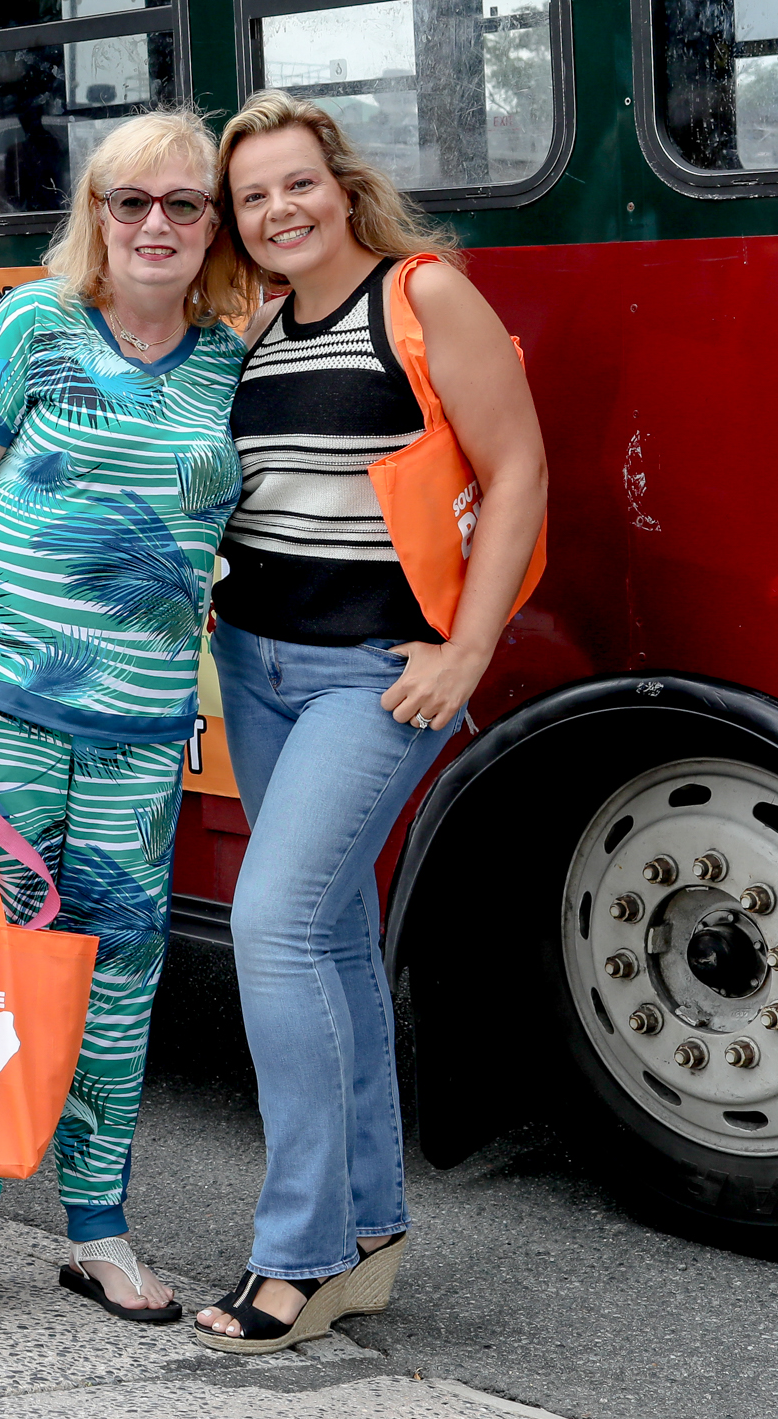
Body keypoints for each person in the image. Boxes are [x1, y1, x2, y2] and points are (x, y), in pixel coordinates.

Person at [192, 92, 545, 1352]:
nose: (278, 209)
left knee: (272, 926)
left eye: (297, 184)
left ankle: (294, 1252)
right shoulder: (257, 325)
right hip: (255, 660)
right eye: (252, 197)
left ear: (340, 186)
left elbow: (516, 469)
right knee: (331, 943)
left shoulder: (420, 295)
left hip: (373, 676)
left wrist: (467, 648)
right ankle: (368, 1232)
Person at [0, 109, 251, 1323]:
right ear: (95, 214)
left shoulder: (228, 354)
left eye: (183, 205)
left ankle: (97, 1228)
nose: (154, 224)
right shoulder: (35, 326)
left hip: (143, 733)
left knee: (117, 980)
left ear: (213, 225)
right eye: (129, 202)